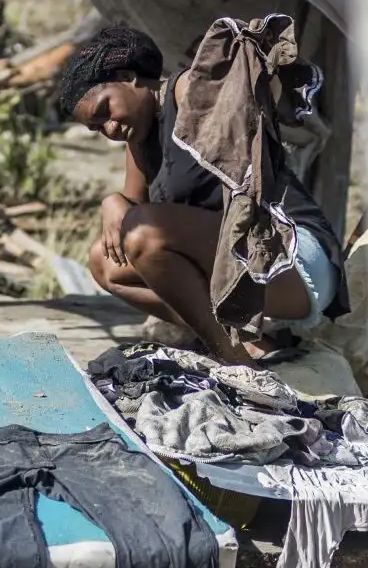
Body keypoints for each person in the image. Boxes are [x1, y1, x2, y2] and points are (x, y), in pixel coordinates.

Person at [59, 25, 339, 363]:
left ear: (127, 76)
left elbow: (244, 93)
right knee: (105, 263)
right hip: (243, 270)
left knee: (143, 232)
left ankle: (234, 359)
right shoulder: (139, 141)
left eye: (105, 111)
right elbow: (130, 221)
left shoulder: (192, 91)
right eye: (97, 128)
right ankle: (249, 339)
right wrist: (112, 201)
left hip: (290, 254)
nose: (110, 129)